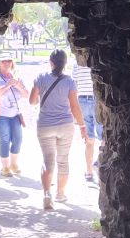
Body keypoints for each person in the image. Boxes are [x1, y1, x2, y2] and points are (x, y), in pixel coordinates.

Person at [30, 49, 87, 211]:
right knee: (63, 160)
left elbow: (32, 101)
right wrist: (82, 126)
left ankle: (47, 194)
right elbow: (75, 107)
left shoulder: (40, 78)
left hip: (45, 125)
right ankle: (60, 193)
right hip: (65, 126)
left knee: (47, 160)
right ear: (65, 64)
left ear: (51, 62)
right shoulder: (69, 81)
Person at [0, 57, 27, 177]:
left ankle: (14, 164)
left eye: (9, 61)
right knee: (5, 139)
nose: (6, 63)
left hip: (14, 114)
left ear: (12, 63)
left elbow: (26, 95)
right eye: (3, 61)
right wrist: (7, 85)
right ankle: (5, 167)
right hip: (0, 114)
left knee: (18, 139)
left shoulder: (17, 77)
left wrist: (19, 86)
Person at [71, 54, 100, 182]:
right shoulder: (96, 59)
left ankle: (89, 172)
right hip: (96, 98)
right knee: (103, 135)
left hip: (82, 100)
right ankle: (100, 164)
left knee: (89, 139)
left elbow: (75, 84)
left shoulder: (76, 64)